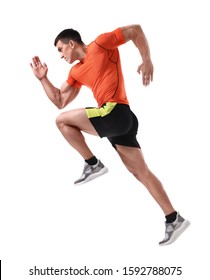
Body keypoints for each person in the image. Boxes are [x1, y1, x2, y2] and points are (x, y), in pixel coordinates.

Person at [30, 24, 190, 245]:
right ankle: (173, 218)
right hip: (120, 122)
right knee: (140, 172)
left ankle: (93, 163)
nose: (60, 55)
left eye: (60, 49)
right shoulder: (76, 71)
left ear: (71, 43)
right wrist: (42, 79)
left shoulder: (101, 44)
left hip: (115, 112)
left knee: (61, 121)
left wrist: (147, 59)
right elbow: (59, 100)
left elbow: (135, 30)